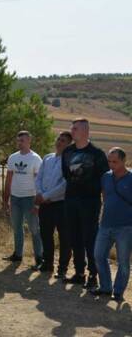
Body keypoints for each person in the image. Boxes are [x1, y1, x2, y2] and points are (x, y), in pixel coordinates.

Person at [62, 118, 109, 289]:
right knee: (75, 238)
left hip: (90, 202)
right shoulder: (67, 152)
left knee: (90, 239)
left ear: (85, 131)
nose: (71, 131)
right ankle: (79, 273)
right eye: (72, 128)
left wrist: (106, 203)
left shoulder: (97, 154)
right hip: (71, 200)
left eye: (75, 128)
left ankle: (93, 275)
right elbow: (66, 175)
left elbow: (105, 180)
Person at [92, 148, 132, 301]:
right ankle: (105, 287)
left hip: (126, 227)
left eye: (115, 161)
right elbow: (105, 196)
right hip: (106, 224)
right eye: (109, 161)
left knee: (123, 262)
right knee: (98, 256)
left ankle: (118, 292)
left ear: (123, 161)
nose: (111, 164)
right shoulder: (105, 177)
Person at [3, 131, 43, 269]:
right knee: (17, 227)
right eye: (18, 140)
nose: (20, 143)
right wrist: (6, 198)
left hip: (30, 198)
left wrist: (37, 203)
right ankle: (18, 254)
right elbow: (8, 179)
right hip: (15, 198)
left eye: (22, 140)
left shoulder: (36, 159)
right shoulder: (13, 158)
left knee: (34, 229)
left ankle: (39, 257)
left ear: (29, 141)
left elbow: (39, 182)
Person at [35, 132, 72, 277]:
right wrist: (39, 194)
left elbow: (65, 185)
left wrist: (45, 196)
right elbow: (39, 178)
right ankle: (47, 263)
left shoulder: (69, 161)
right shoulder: (47, 158)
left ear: (69, 145)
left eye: (63, 141)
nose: (59, 142)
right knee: (45, 234)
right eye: (58, 139)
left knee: (64, 237)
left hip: (61, 204)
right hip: (45, 204)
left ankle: (62, 268)